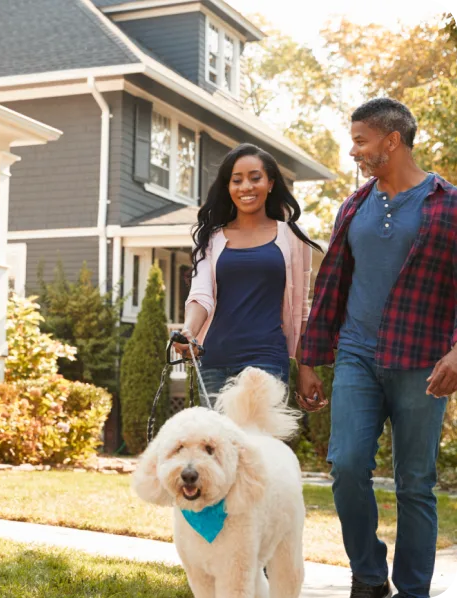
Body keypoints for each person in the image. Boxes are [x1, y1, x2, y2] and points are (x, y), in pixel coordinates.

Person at [297, 98, 457, 598]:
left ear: (392, 140)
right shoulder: (355, 205)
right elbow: (331, 286)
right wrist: (308, 358)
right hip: (357, 355)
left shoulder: (448, 203)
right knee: (345, 465)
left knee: (414, 482)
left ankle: (412, 589)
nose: (354, 150)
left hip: (422, 359)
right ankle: (368, 575)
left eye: (361, 140)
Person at [175, 142, 321, 398]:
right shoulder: (211, 239)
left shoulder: (293, 238)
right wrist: (189, 330)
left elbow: (301, 311)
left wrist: (305, 368)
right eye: (237, 180)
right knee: (217, 438)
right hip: (214, 362)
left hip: (267, 362)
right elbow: (200, 295)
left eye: (255, 178)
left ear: (271, 183)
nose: (246, 187)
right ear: (228, 186)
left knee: (260, 438)